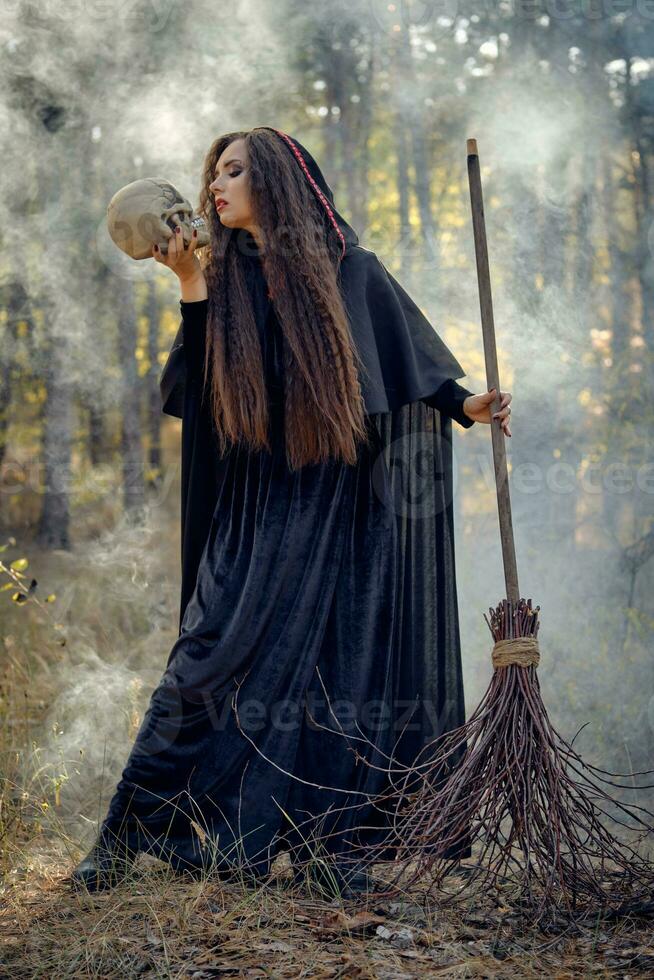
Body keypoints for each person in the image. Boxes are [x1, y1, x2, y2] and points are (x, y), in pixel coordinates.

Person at [70, 127, 512, 898]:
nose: (216, 185)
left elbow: (410, 363)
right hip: (258, 506)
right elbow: (196, 400)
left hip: (346, 506)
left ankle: (326, 845)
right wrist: (190, 286)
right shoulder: (222, 282)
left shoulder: (354, 273)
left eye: (233, 171)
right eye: (214, 172)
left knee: (339, 673)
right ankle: (133, 829)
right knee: (204, 663)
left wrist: (468, 404)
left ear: (276, 180)